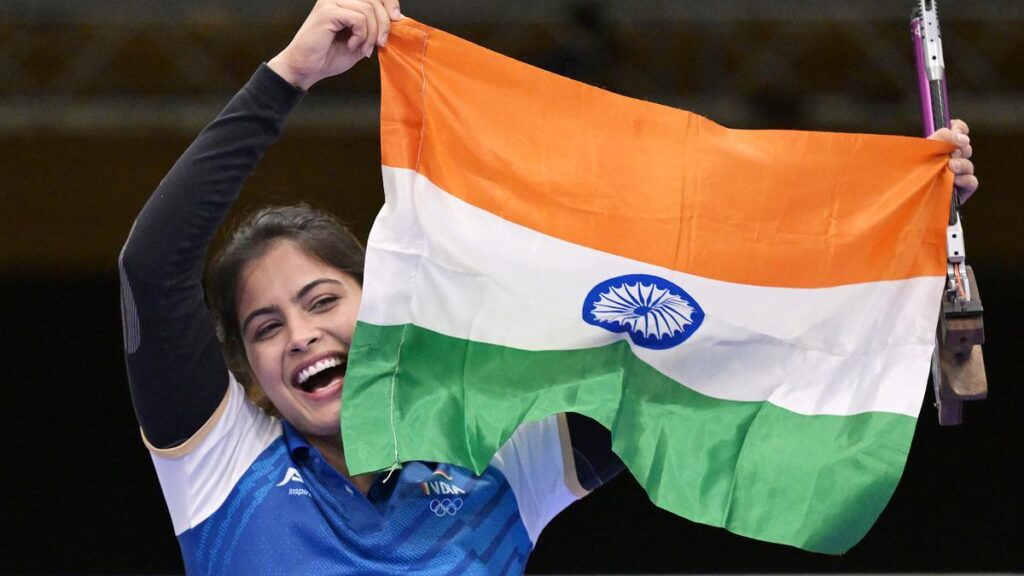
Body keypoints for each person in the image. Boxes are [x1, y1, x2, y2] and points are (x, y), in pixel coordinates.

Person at [119, 1, 978, 574]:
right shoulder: (224, 465)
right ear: (248, 371)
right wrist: (289, 75)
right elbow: (150, 273)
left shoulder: (497, 451)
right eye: (264, 327)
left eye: (321, 301)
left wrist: (891, 243)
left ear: (381, 308)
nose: (299, 335)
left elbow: (696, 345)